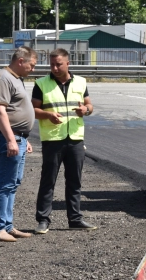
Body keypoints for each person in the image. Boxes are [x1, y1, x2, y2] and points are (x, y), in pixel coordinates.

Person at [32, 48, 96, 234]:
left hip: (75, 139)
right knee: (48, 181)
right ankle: (43, 220)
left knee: (75, 181)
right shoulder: (41, 83)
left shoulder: (81, 82)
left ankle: (75, 219)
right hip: (53, 139)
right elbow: (33, 110)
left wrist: (86, 110)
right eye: (52, 64)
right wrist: (47, 115)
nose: (54, 67)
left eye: (58, 64)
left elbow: (90, 105)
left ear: (68, 63)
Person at [0, 46, 37, 242]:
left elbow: (15, 111)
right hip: (9, 138)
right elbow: (0, 111)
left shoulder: (15, 78)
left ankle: (7, 226)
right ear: (21, 61)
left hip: (19, 138)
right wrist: (10, 139)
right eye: (31, 65)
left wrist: (24, 139)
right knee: (5, 184)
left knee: (13, 183)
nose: (33, 69)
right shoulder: (3, 78)